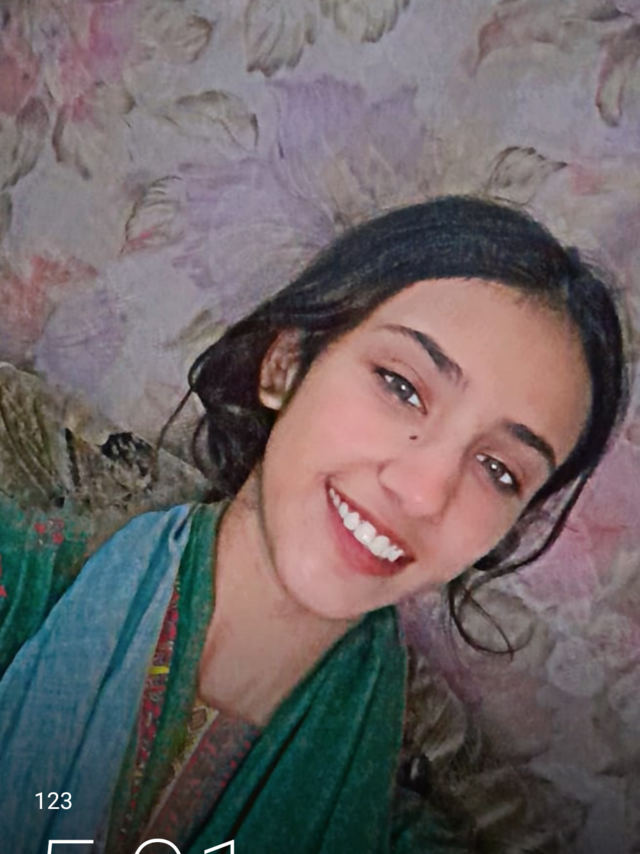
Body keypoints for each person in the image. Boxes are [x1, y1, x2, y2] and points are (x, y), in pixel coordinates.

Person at [0, 196, 629, 854]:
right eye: (401, 385)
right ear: (286, 364)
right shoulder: (26, 583)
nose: (422, 492)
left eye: (499, 471)